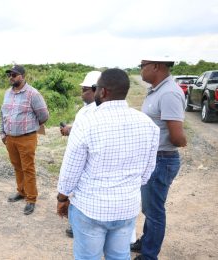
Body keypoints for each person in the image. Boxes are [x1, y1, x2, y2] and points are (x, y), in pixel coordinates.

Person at [57, 68, 160, 260]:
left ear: (102, 92)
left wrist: (62, 198)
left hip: (90, 208)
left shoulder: (86, 123)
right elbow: (147, 173)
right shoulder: (148, 125)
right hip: (126, 207)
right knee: (120, 256)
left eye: (96, 89)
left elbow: (70, 170)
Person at [131, 57, 187, 260]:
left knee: (154, 210)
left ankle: (149, 255)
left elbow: (177, 136)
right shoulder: (157, 90)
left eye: (142, 66)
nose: (140, 70)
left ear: (156, 66)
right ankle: (147, 241)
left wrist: (182, 140)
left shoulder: (169, 93)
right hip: (154, 159)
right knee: (149, 206)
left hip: (162, 159)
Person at [0, 65, 49, 215]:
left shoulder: (33, 94)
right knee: (17, 166)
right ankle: (21, 192)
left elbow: (44, 115)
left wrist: (31, 127)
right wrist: (3, 133)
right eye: (9, 75)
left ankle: (31, 199)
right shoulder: (7, 93)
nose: (11, 77)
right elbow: (3, 114)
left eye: (14, 75)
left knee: (28, 168)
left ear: (22, 76)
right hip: (10, 138)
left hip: (26, 137)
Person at [59, 70, 101, 238]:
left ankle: (81, 227)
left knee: (82, 194)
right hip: (85, 161)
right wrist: (70, 129)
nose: (81, 92)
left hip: (87, 162)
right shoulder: (87, 109)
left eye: (85, 89)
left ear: (97, 90)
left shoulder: (95, 111)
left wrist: (61, 196)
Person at [60, 70, 100, 137]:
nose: (82, 93)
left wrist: (68, 130)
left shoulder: (86, 112)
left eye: (85, 90)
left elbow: (82, 135)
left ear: (96, 90)